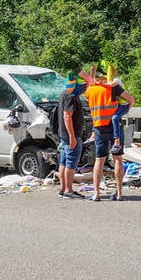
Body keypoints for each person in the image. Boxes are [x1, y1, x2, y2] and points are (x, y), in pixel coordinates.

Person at [85, 60, 134, 201]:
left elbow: (89, 82)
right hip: (115, 127)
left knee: (99, 160)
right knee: (118, 159)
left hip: (99, 127)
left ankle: (96, 194)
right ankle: (119, 194)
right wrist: (120, 111)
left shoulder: (90, 91)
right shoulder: (113, 88)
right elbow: (131, 100)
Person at [57, 70, 88, 199]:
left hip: (64, 134)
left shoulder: (65, 93)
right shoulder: (71, 96)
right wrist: (72, 136)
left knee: (63, 162)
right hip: (71, 134)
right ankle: (69, 190)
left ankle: (63, 189)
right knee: (71, 162)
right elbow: (67, 116)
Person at [106, 63, 133, 155]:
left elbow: (113, 84)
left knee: (114, 118)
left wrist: (128, 107)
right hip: (119, 105)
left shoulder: (116, 81)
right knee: (114, 119)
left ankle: (117, 141)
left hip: (124, 105)